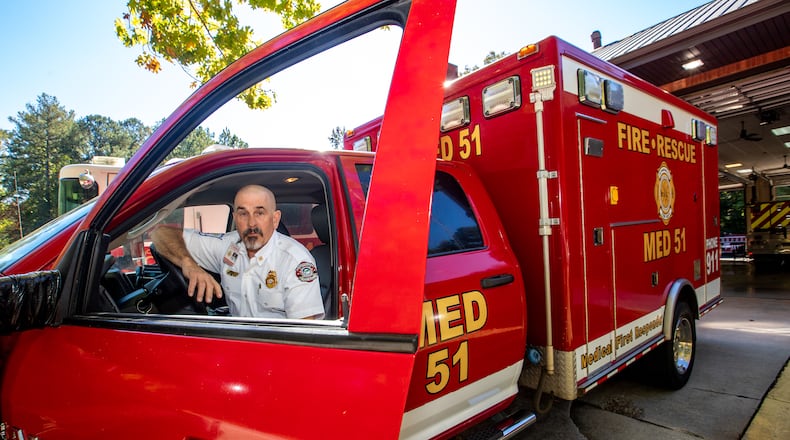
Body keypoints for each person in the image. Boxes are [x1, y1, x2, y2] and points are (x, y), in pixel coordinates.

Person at [150, 184, 324, 319]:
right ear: (235, 218)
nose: (251, 223)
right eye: (243, 214)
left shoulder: (295, 261)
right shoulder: (228, 246)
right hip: (236, 345)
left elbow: (304, 335)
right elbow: (160, 234)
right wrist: (189, 264)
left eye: (259, 213)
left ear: (275, 218)